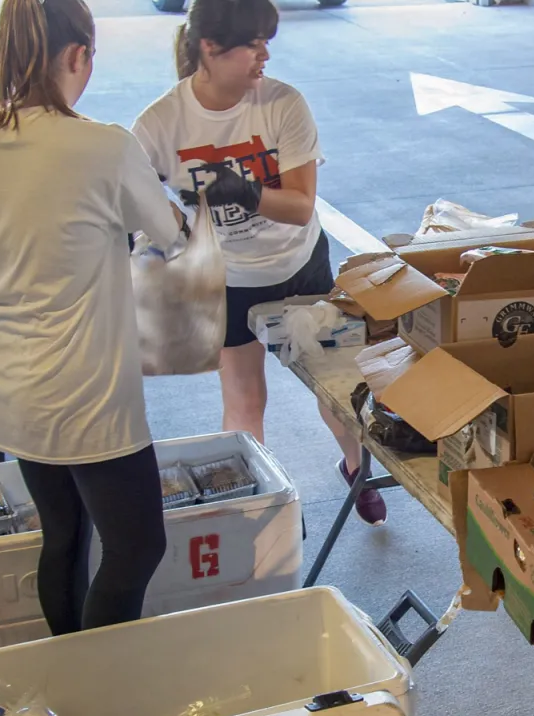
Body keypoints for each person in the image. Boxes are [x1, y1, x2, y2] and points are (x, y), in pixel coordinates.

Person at [0, 0, 178, 635]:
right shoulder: (102, 146)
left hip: (13, 382)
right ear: (77, 55)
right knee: (137, 548)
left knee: (64, 535)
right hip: (88, 388)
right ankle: (97, 689)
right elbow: (172, 234)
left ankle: (69, 678)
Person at [133, 0, 386, 525]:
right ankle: (252, 511)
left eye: (266, 41)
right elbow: (136, 212)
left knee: (333, 389)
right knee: (245, 400)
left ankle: (356, 467)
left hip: (299, 264)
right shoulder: (159, 124)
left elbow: (299, 207)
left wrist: (244, 192)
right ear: (209, 47)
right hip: (229, 279)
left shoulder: (283, 104)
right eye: (253, 42)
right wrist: (163, 237)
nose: (264, 54)